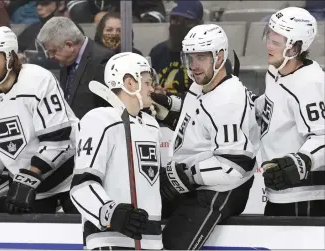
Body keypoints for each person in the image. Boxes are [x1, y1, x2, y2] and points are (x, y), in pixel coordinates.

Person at [160, 24, 259, 250]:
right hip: (193, 181)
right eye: (190, 58)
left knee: (174, 244)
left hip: (220, 190)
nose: (193, 66)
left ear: (220, 57)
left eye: (201, 58)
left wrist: (186, 176)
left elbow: (234, 166)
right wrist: (167, 105)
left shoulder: (229, 101)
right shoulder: (202, 84)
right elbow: (195, 111)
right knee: (145, 216)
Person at [0, 26, 78, 214]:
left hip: (69, 180)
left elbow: (58, 141)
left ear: (10, 58)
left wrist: (30, 176)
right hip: (28, 184)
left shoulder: (38, 80)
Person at [70, 52, 163, 250]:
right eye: (147, 82)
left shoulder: (151, 126)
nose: (152, 88)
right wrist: (111, 214)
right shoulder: (100, 120)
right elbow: (81, 186)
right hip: (110, 241)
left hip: (152, 242)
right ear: (130, 83)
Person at [257, 7, 325, 216]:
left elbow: (322, 135)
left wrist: (302, 161)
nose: (268, 46)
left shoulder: (310, 84)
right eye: (269, 38)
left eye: (276, 43)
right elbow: (272, 106)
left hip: (304, 196)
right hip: (279, 191)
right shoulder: (276, 70)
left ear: (295, 48)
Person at [36, 16, 115, 119]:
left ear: (69, 45)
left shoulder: (103, 62)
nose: (51, 56)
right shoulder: (67, 60)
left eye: (53, 51)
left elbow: (109, 110)